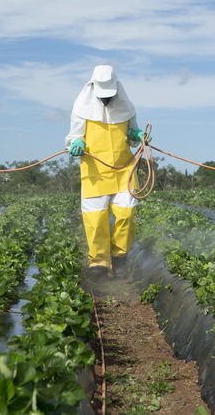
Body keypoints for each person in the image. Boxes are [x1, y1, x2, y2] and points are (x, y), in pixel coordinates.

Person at [65, 65, 146, 279]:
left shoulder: (127, 107)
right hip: (95, 171)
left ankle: (120, 257)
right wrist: (76, 144)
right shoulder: (81, 107)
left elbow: (132, 134)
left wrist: (137, 134)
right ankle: (98, 262)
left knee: (126, 213)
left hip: (123, 169)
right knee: (96, 218)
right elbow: (74, 136)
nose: (106, 100)